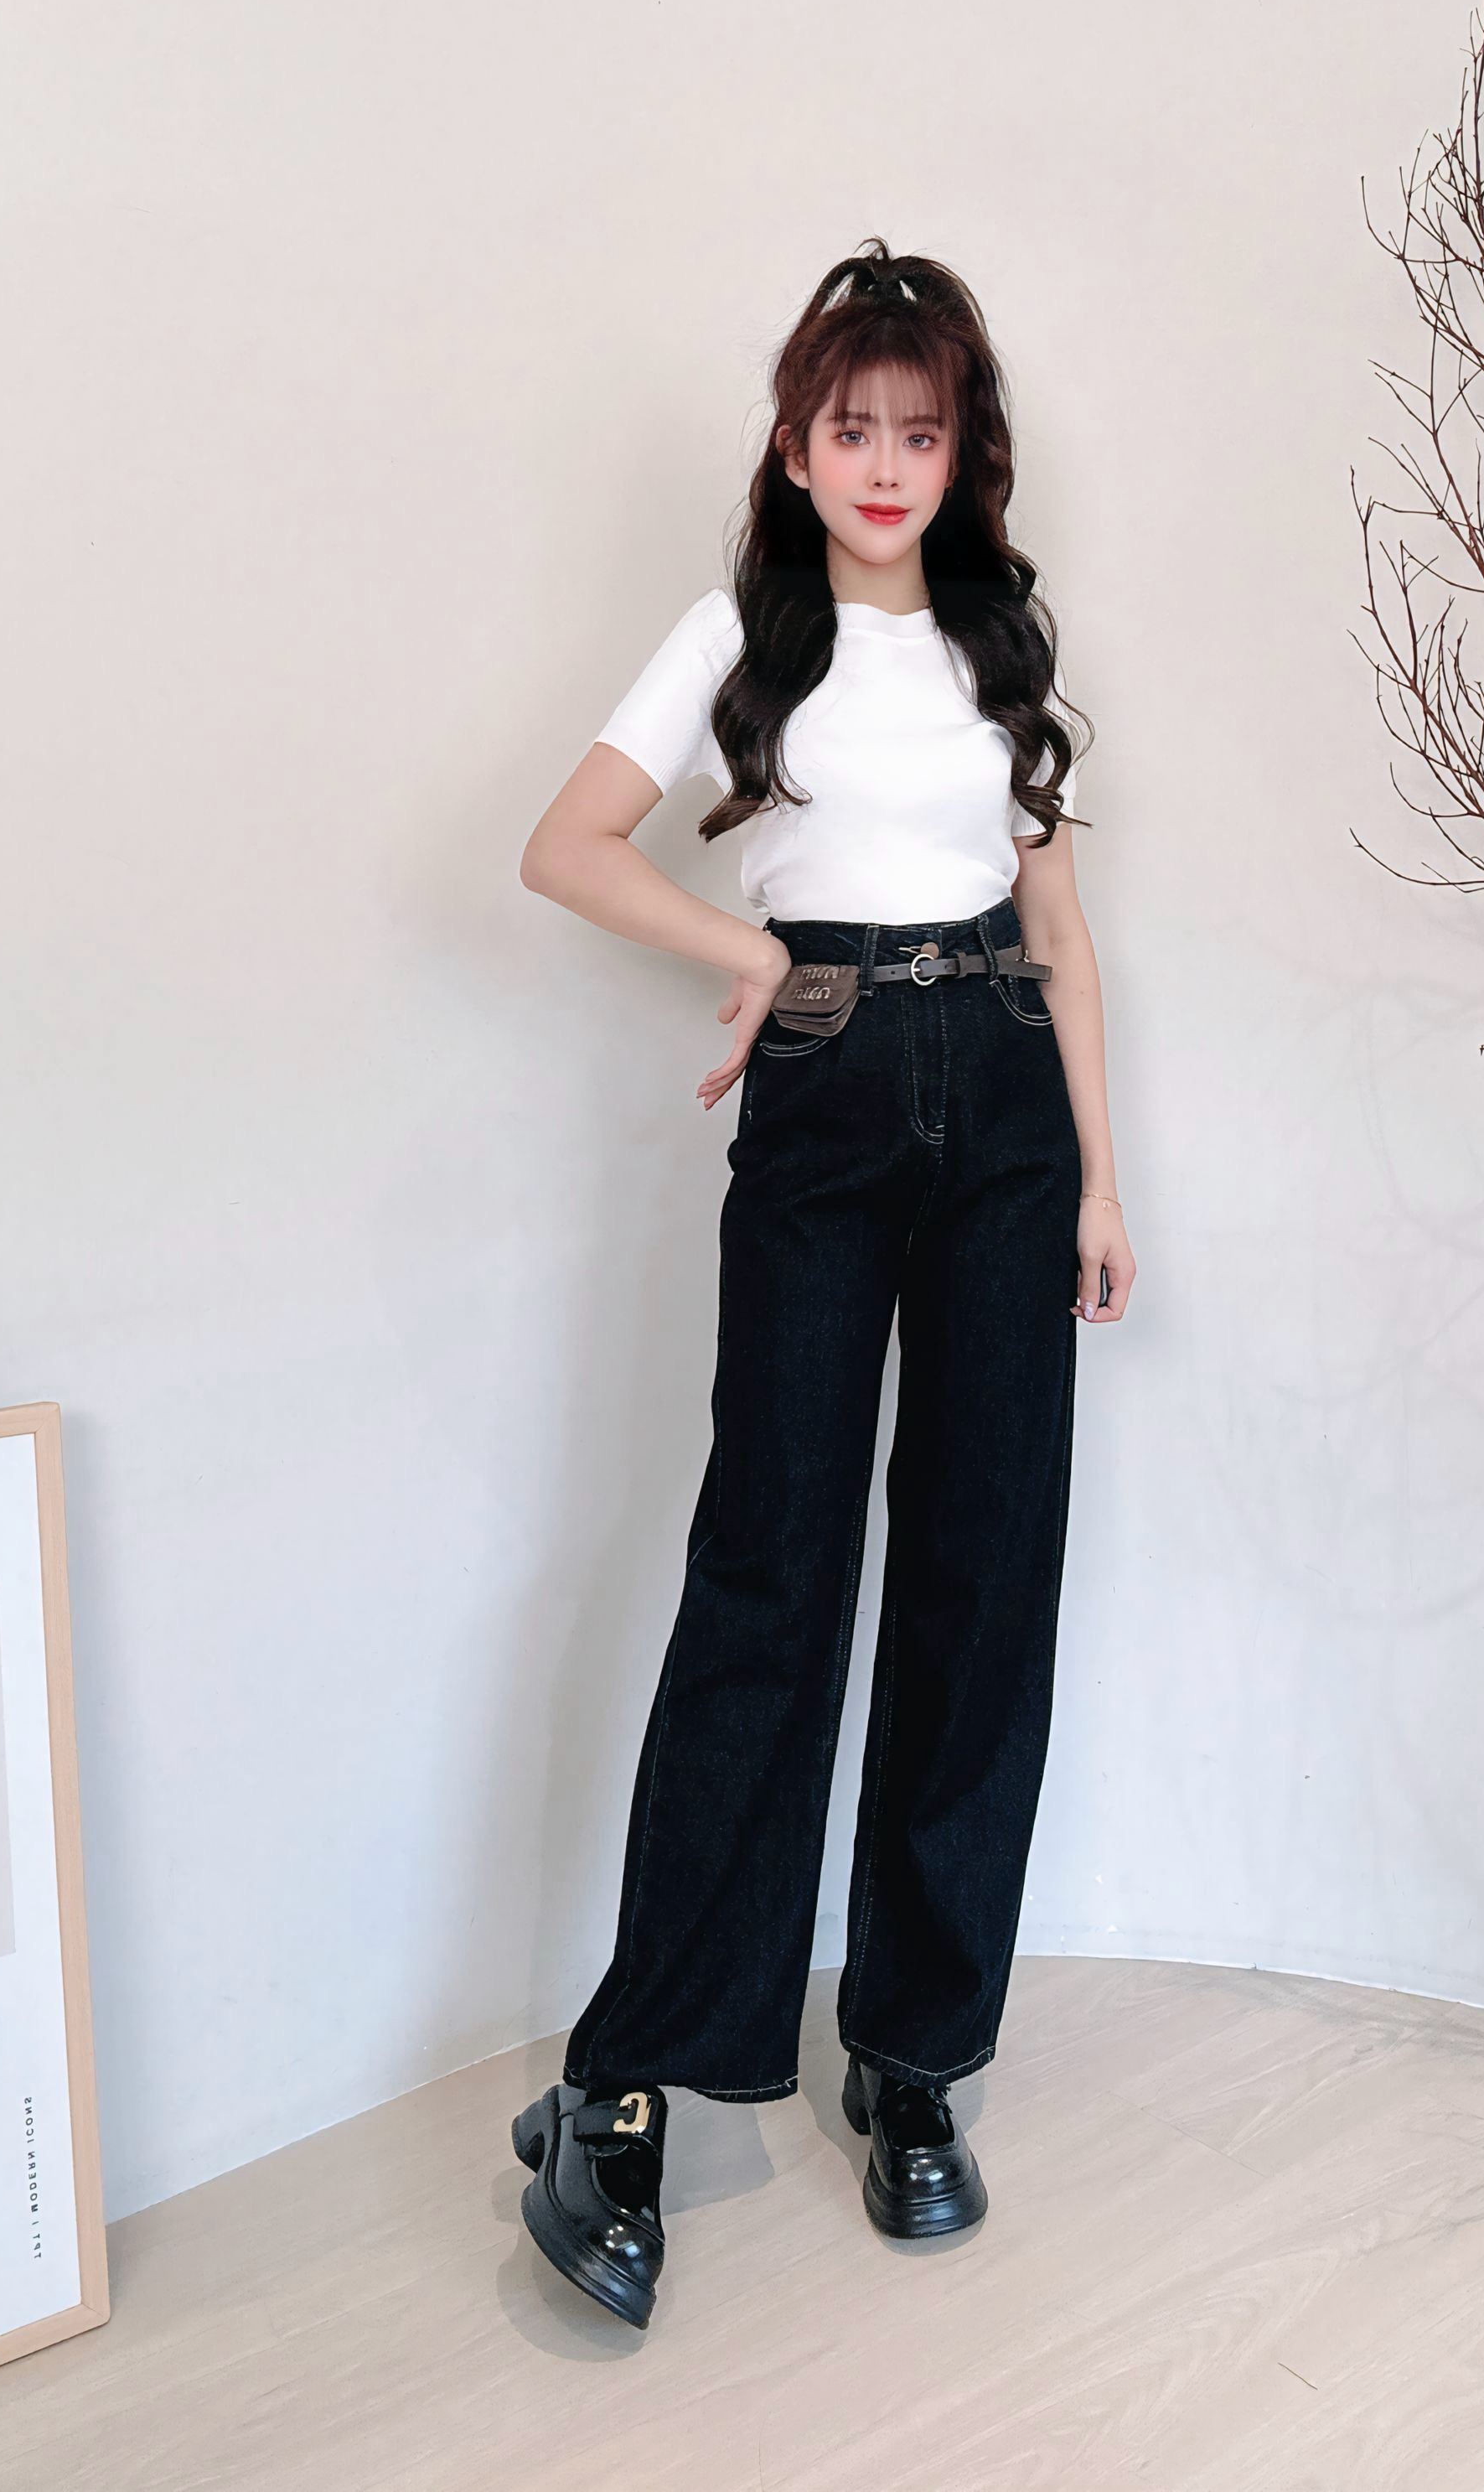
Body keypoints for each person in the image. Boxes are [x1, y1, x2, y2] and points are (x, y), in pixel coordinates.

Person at [512, 241, 1134, 2329]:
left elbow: (1062, 938)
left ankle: (915, 2053)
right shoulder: (740, 634)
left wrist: (1099, 1183)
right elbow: (566, 845)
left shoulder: (1002, 642)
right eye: (849, 428)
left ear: (963, 457)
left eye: (917, 432)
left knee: (981, 1573)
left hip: (1006, 1104)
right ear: (795, 446)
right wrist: (755, 954)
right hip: (829, 1075)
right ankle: (623, 2081)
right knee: (769, 1571)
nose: (883, 464)